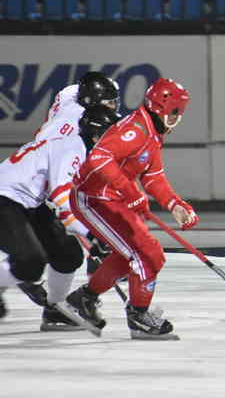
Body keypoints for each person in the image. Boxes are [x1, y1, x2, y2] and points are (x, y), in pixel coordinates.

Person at [67, 77, 198, 340]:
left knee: (149, 255)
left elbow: (153, 177)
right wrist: (130, 192)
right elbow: (99, 158)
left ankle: (85, 298)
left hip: (112, 199)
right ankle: (139, 317)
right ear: (161, 107)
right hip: (94, 199)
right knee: (146, 255)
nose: (178, 119)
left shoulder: (152, 131)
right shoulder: (137, 129)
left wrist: (175, 205)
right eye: (176, 112)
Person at [0, 105, 120, 331]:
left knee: (69, 254)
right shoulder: (73, 148)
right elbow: (62, 195)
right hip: (5, 198)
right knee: (30, 263)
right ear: (97, 134)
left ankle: (55, 310)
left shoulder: (82, 149)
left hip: (27, 202)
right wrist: (91, 234)